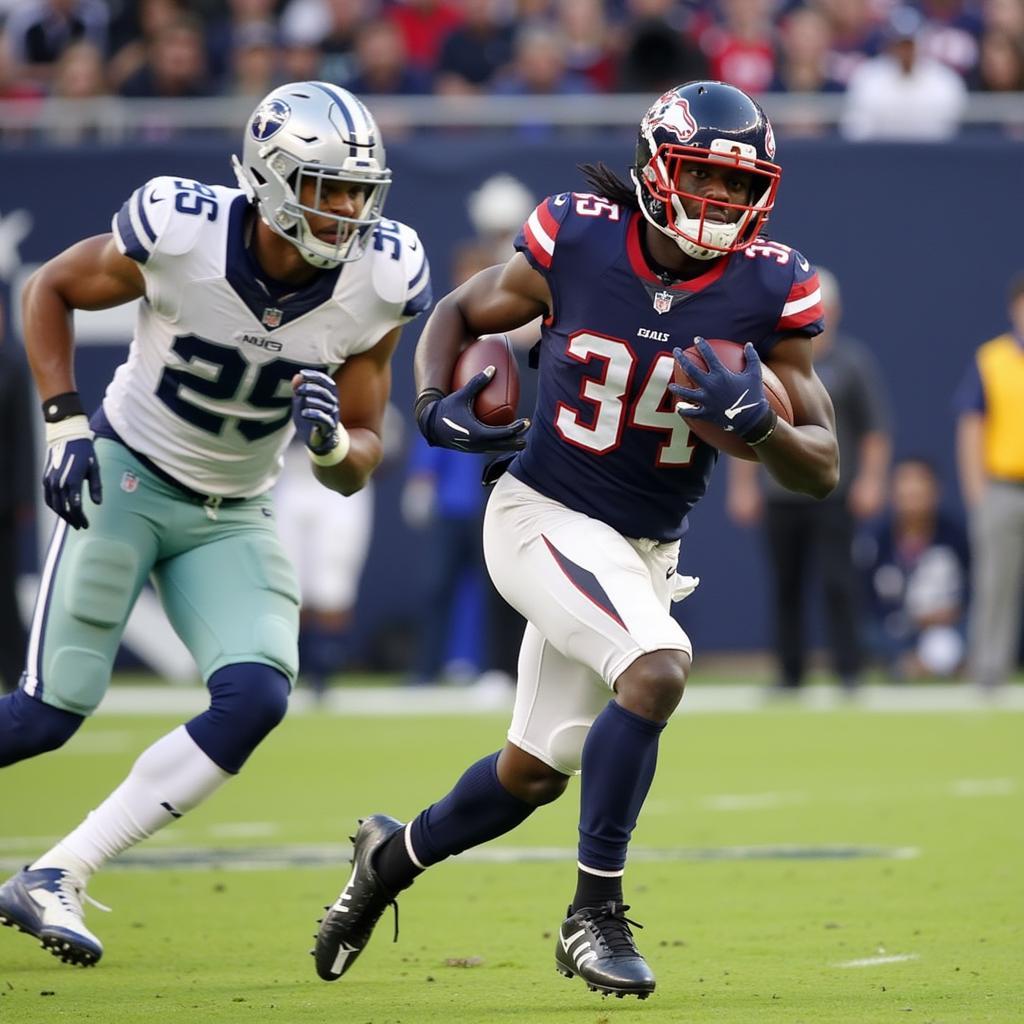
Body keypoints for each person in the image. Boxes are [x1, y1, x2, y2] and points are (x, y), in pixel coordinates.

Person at [311, 81, 839, 999]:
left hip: (643, 547)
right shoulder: (581, 235)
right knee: (657, 668)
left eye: (734, 184)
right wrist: (435, 404)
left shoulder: (769, 284)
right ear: (657, 168)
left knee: (532, 773)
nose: (717, 201)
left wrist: (762, 428)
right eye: (702, 177)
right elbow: (458, 312)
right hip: (540, 514)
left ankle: (385, 861)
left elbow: (821, 465)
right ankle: (593, 914)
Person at [0, 81, 431, 966]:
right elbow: (49, 289)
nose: (349, 210)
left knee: (256, 697)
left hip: (231, 509)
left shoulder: (379, 278)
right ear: (271, 180)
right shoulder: (181, 226)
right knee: (47, 716)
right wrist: (64, 423)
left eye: (359, 190)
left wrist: (327, 448)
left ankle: (58, 872)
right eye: (328, 186)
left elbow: (357, 461)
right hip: (125, 474)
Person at [727, 267, 891, 692]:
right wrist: (743, 485)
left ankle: (849, 670)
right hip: (780, 493)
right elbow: (747, 426)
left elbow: (874, 431)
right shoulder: (769, 361)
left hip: (834, 492)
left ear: (831, 311)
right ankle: (789, 672)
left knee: (839, 581)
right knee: (786, 585)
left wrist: (871, 482)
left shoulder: (852, 362)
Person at [954, 271, 1024, 691]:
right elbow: (971, 426)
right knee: (995, 583)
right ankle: (989, 671)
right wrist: (977, 493)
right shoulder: (991, 359)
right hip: (1002, 487)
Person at [859, 457, 969, 680]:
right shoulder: (877, 540)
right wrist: (907, 617)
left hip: (945, 626)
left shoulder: (956, 537)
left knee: (954, 639)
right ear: (893, 494)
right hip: (896, 627)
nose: (912, 498)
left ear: (935, 492)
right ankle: (911, 663)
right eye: (906, 493)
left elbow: (973, 586)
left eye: (919, 492)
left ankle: (931, 664)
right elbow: (865, 597)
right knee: (868, 633)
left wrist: (952, 612)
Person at [840, 6, 968, 141]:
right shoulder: (868, 77)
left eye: (909, 44)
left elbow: (951, 131)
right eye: (900, 44)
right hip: (881, 156)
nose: (905, 51)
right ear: (890, 44)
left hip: (932, 157)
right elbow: (857, 130)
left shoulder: (944, 80)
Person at [0, 299, 35, 694]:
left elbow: (24, 437)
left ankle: (21, 679)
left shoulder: (10, 364)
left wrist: (24, 496)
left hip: (2, 505)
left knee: (3, 601)